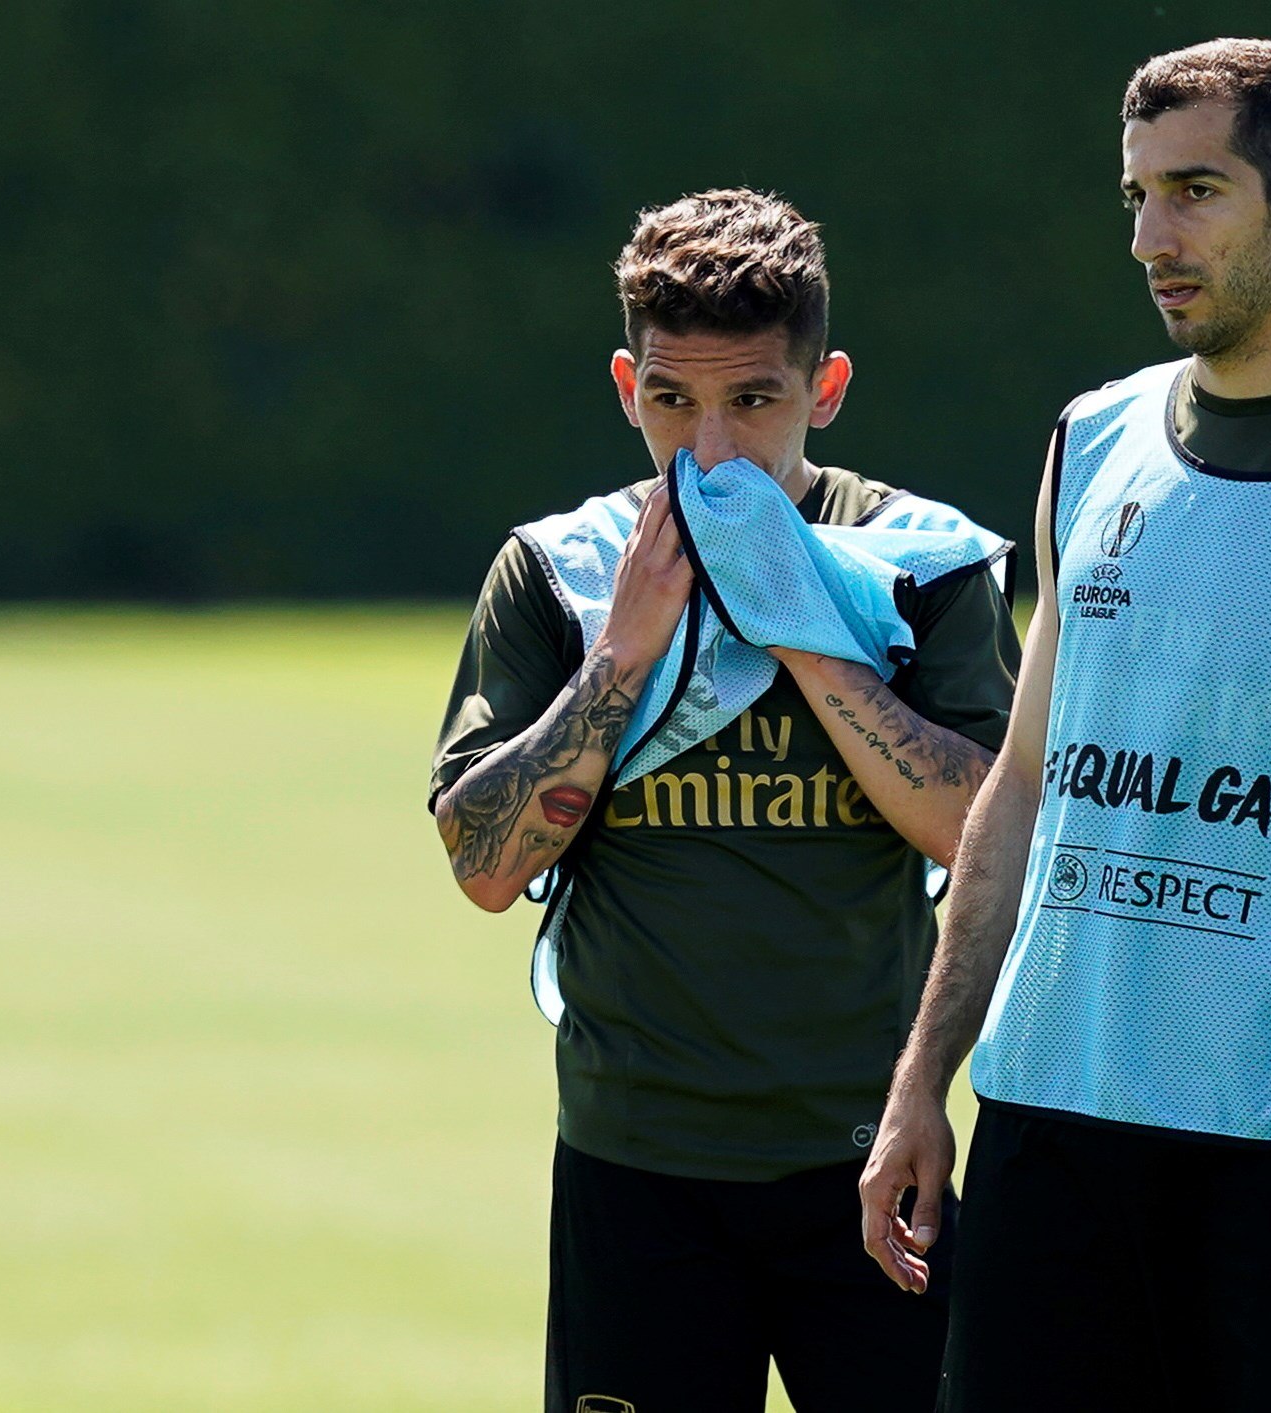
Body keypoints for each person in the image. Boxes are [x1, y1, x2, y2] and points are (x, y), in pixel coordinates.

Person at [860, 39, 1271, 1411]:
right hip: (1048, 1121)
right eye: (1135, 197)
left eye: (1195, 192)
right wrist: (921, 1077)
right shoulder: (1090, 440)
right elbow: (1025, 786)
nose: (1149, 237)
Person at [429, 188, 1019, 1413]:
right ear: (623, 385)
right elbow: (484, 866)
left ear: (827, 388)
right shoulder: (561, 572)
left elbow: (983, 834)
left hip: (871, 1161)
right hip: (633, 1168)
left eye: (753, 400)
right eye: (671, 400)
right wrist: (624, 656)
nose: (709, 449)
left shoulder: (920, 565)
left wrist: (804, 630)